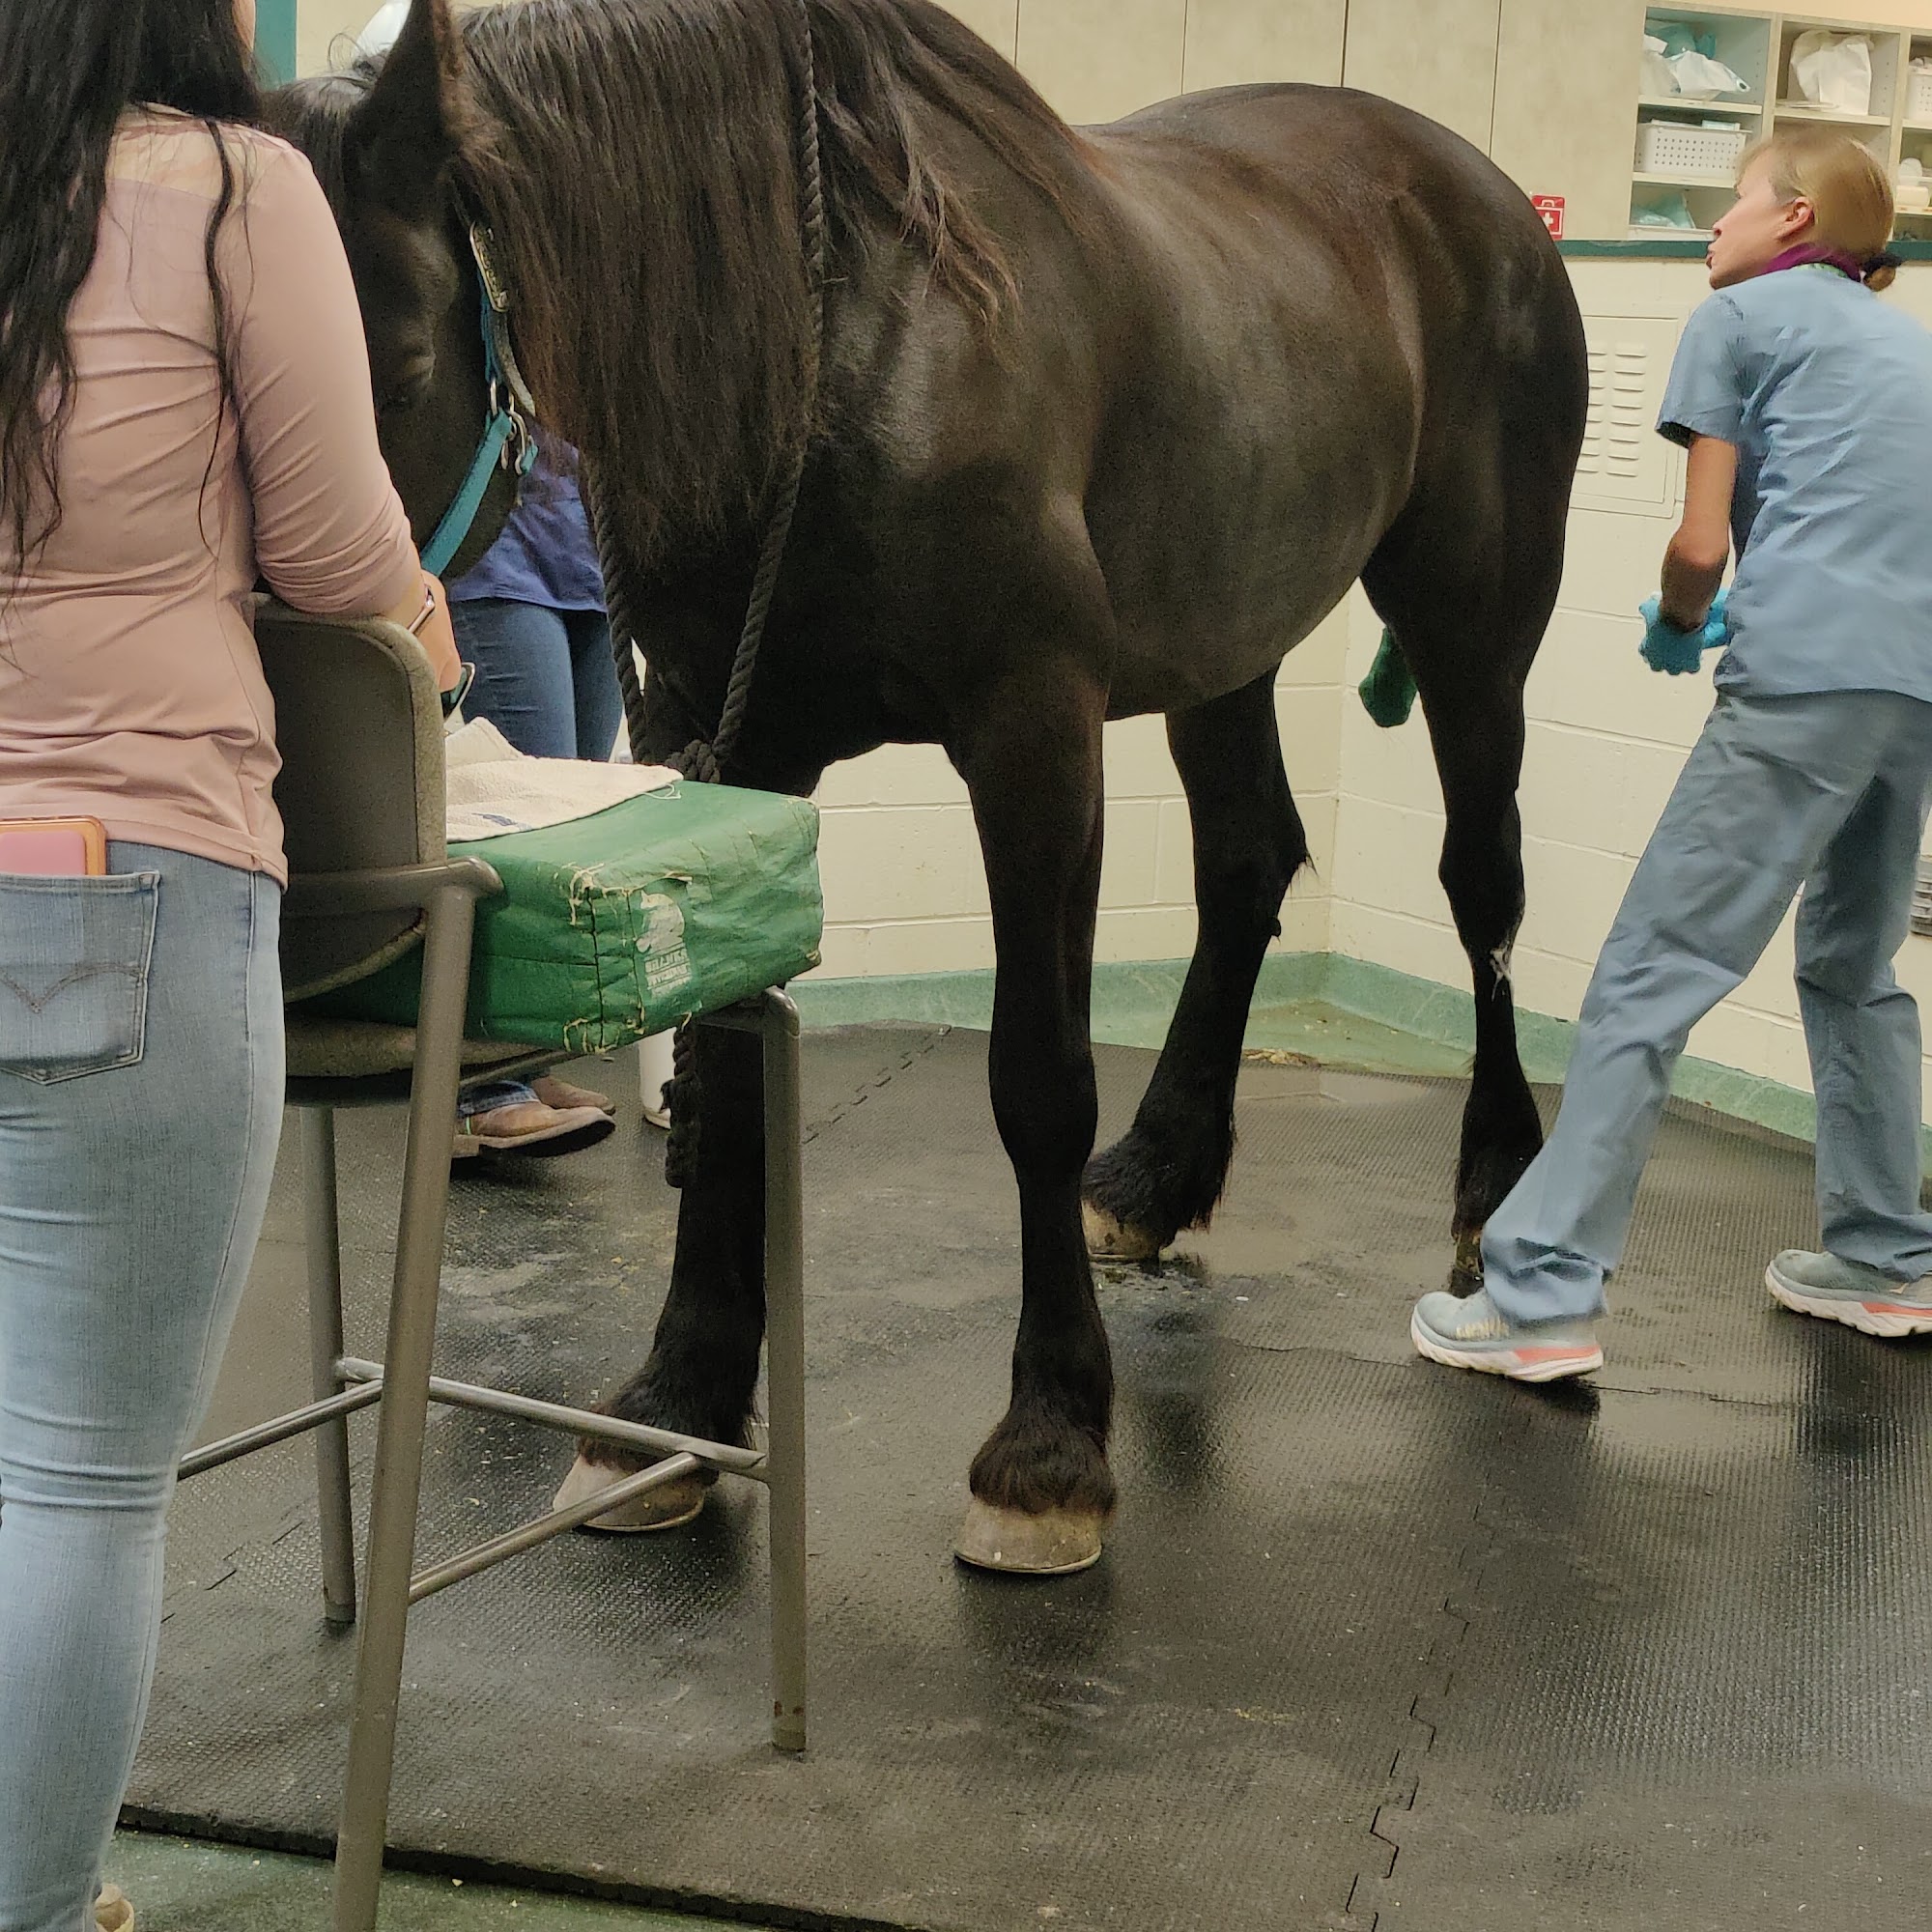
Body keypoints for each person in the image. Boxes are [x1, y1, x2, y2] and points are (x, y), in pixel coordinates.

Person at [0, 4, 461, 1927]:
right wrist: (426, 631)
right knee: (74, 1482)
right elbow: (341, 551)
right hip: (116, 884)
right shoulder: (229, 192)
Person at [1411, 127, 1932, 1381]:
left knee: (1652, 972)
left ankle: (1539, 1296)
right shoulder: (1910, 347)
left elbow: (1698, 545)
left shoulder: (1737, 319)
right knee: (1852, 963)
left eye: (1731, 201)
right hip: (1913, 693)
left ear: (1794, 221)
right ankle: (1887, 1256)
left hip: (1799, 688)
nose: (1711, 225)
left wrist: (1686, 619)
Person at [444, 436, 630, 1157]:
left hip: (593, 554)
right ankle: (481, 1090)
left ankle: (530, 1062)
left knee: (571, 830)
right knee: (523, 834)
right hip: (502, 550)